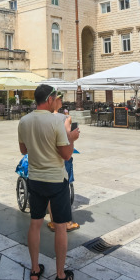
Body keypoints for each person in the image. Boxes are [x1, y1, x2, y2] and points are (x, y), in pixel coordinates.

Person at [18, 85, 79, 280]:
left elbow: (23, 150)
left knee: (35, 224)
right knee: (60, 226)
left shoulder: (24, 121)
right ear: (50, 99)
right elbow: (66, 155)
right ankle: (60, 275)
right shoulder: (57, 121)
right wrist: (71, 137)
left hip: (35, 179)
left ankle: (35, 269)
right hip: (55, 180)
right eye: (55, 97)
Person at [47, 97, 80, 232]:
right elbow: (67, 140)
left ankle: (53, 221)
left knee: (50, 192)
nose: (61, 102)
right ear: (53, 101)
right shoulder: (66, 118)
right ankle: (66, 222)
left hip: (47, 158)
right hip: (61, 157)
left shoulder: (41, 119)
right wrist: (73, 137)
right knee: (63, 189)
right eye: (60, 99)